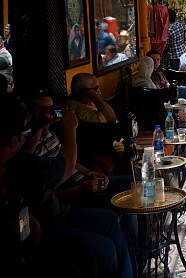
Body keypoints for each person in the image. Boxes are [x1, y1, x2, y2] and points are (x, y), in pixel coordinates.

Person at [0, 94, 133, 277]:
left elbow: (41, 160)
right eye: (41, 110)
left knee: (118, 209)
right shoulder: (18, 163)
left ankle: (134, 262)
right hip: (55, 215)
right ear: (14, 139)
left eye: (51, 108)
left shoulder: (29, 147)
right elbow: (64, 166)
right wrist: (69, 128)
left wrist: (88, 172)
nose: (49, 113)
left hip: (58, 207)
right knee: (106, 247)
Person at [142, 52, 186, 141]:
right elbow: (159, 90)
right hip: (164, 100)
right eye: (153, 60)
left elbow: (166, 83)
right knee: (182, 89)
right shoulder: (148, 75)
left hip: (169, 95)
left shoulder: (159, 71)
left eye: (158, 60)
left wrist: (167, 85)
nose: (156, 62)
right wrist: (167, 86)